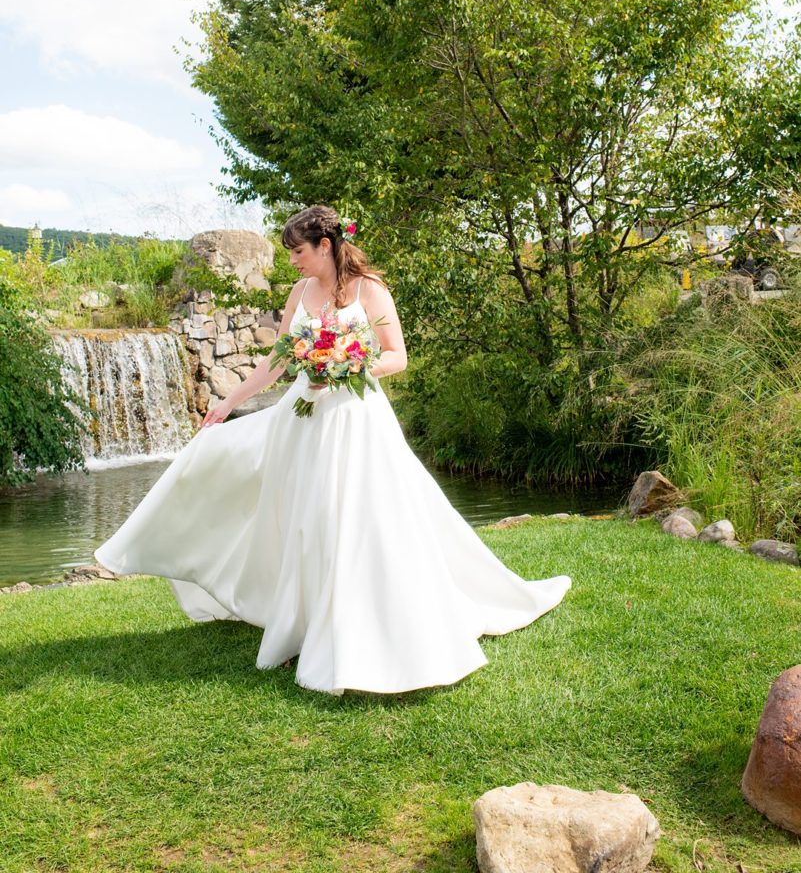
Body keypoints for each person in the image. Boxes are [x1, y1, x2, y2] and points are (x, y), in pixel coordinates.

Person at [94, 205, 571, 695]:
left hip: (355, 418)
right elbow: (278, 360)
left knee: (354, 519)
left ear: (325, 245)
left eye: (298, 252)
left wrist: (347, 365)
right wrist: (227, 402)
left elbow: (396, 356)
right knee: (304, 517)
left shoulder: (370, 289)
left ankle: (364, 627)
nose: (293, 262)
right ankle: (303, 624)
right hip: (302, 419)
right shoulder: (299, 293)